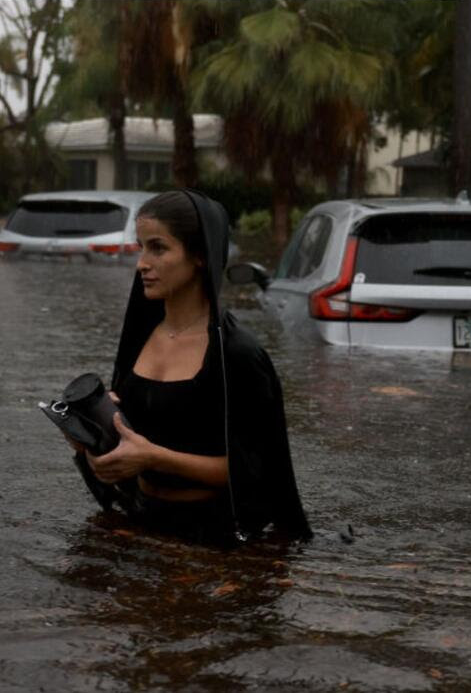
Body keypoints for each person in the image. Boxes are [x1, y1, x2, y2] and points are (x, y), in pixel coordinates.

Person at [67, 190, 312, 545]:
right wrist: (88, 443)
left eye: (158, 248)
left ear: (200, 255)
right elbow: (125, 456)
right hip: (141, 520)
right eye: (140, 248)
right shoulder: (139, 338)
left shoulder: (237, 354)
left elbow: (256, 474)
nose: (142, 264)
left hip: (214, 538)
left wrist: (153, 457)